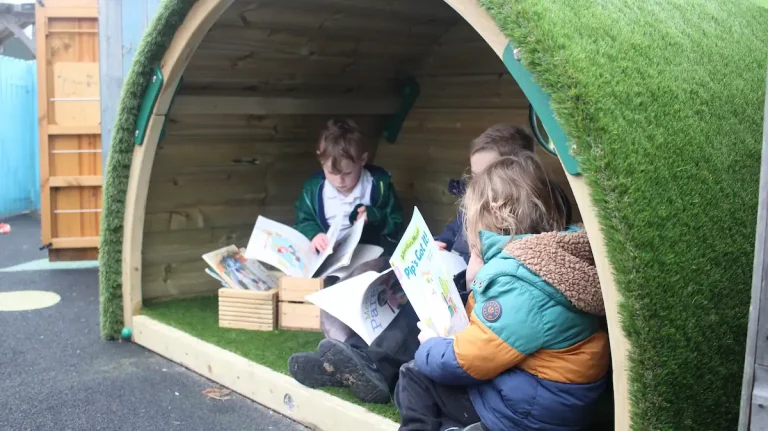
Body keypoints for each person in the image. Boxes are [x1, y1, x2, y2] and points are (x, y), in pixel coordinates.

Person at [395, 154, 611, 431]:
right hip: (553, 402)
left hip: (524, 414)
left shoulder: (519, 281)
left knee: (415, 374)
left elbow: (468, 361)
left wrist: (430, 347)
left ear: (496, 212)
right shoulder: (551, 259)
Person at [293, 118, 403, 255]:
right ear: (321, 160)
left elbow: (396, 223)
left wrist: (375, 216)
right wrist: (314, 234)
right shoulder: (313, 190)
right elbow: (303, 221)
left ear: (363, 160)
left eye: (347, 173)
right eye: (332, 173)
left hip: (368, 254)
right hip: (326, 257)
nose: (340, 181)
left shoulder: (379, 185)